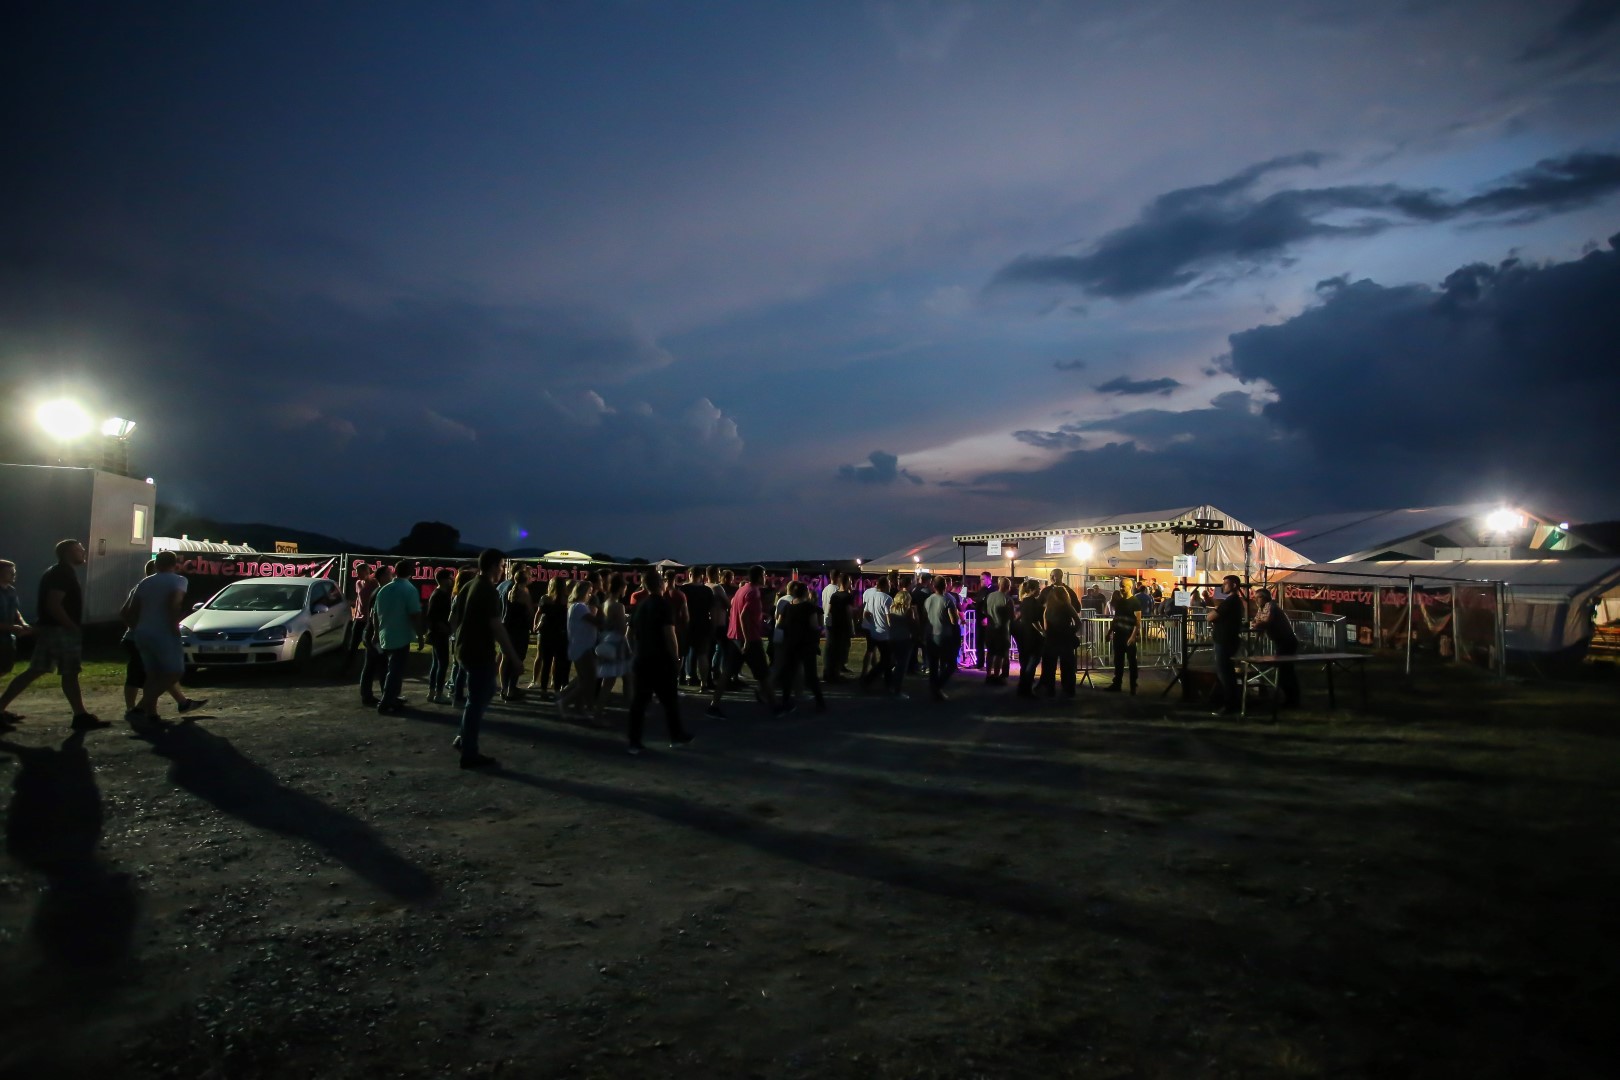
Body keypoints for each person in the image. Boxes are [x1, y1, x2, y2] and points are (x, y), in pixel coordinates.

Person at [0, 540, 104, 729]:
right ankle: (80, 716)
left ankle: (80, 714)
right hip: (59, 631)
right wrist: (71, 626)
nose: (83, 552)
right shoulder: (61, 573)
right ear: (67, 553)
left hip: (54, 629)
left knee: (44, 670)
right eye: (79, 549)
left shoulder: (58, 572)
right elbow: (53, 603)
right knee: (64, 671)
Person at [453, 548, 519, 768]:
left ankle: (464, 738)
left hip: (465, 649)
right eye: (501, 566)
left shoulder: (469, 585)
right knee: (477, 700)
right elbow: (497, 627)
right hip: (478, 652)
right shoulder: (487, 591)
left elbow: (456, 616)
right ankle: (469, 753)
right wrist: (513, 657)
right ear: (492, 566)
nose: (502, 570)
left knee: (484, 693)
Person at [118, 550, 197, 733]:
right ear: (175, 564)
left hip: (142, 633)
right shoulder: (179, 580)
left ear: (156, 564)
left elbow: (129, 611)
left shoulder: (145, 582)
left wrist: (138, 628)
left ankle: (151, 714)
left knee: (152, 674)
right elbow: (174, 603)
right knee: (174, 672)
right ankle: (140, 708)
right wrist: (173, 627)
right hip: (163, 632)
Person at [625, 568, 694, 754]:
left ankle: (634, 742)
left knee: (639, 702)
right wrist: (676, 657)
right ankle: (676, 736)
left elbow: (628, 634)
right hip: (661, 659)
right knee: (669, 700)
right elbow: (669, 634)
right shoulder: (663, 605)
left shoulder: (640, 605)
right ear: (660, 584)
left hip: (642, 658)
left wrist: (634, 651)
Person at [707, 565, 777, 718]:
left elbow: (735, 609)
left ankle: (713, 705)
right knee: (763, 673)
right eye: (764, 574)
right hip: (749, 638)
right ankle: (775, 706)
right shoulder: (753, 592)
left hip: (735, 637)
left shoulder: (742, 590)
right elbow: (744, 615)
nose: (765, 577)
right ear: (759, 576)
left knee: (727, 672)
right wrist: (746, 639)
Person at [372, 559, 423, 715]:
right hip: (401, 635)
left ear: (395, 571)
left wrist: (376, 632)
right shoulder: (410, 589)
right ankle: (386, 701)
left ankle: (392, 698)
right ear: (411, 572)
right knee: (395, 671)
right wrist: (420, 635)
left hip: (385, 635)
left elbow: (375, 614)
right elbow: (414, 614)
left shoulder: (384, 589)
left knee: (391, 669)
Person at [775, 580, 826, 713]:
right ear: (805, 593)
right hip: (806, 644)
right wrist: (819, 630)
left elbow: (779, 623)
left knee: (789, 673)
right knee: (811, 674)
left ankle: (785, 700)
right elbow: (814, 625)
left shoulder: (788, 606)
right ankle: (820, 702)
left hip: (791, 643)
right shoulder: (809, 607)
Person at [557, 580, 602, 718]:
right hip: (583, 648)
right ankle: (564, 702)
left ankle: (578, 706)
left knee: (583, 679)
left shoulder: (575, 606)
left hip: (579, 647)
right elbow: (595, 621)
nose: (590, 595)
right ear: (583, 592)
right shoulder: (580, 607)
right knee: (588, 680)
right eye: (589, 592)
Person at [1251, 586, 1301, 708]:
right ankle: (1288, 698)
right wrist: (1256, 625)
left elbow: (1265, 622)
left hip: (1286, 641)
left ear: (1265, 598)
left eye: (1258, 597)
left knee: (1285, 670)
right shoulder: (1262, 608)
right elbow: (1256, 622)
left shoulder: (1270, 606)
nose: (1256, 600)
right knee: (1284, 669)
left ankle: (1291, 699)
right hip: (1281, 641)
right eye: (1255, 598)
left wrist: (1257, 624)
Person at [595, 575, 632, 717]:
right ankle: (598, 713)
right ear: (621, 588)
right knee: (613, 680)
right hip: (617, 644)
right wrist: (626, 620)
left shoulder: (605, 603)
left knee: (613, 679)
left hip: (606, 641)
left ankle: (599, 711)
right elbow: (622, 629)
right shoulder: (618, 606)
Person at [358, 563, 394, 706]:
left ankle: (368, 695)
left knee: (371, 666)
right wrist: (377, 635)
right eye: (390, 574)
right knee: (381, 666)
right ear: (383, 577)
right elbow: (374, 615)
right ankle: (386, 696)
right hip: (374, 636)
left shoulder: (378, 591)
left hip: (371, 633)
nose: (392, 576)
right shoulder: (381, 592)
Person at [1211, 575, 1246, 715]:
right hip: (1226, 640)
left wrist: (1214, 613)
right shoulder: (1233, 602)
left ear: (1234, 585)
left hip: (1224, 640)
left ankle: (1230, 704)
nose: (1223, 586)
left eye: (1226, 583)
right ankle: (1229, 701)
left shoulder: (1231, 601)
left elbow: (1211, 616)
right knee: (1227, 673)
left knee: (1225, 673)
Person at [499, 564, 534, 701]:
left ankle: (504, 688)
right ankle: (511, 688)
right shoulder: (524, 592)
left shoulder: (507, 588)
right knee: (518, 658)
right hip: (519, 630)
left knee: (505, 658)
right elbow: (529, 611)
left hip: (507, 627)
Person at [1039, 582, 1080, 697]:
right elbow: (1078, 622)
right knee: (1067, 666)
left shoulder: (1048, 608)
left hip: (1051, 639)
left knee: (1049, 666)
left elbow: (1046, 627)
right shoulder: (1067, 606)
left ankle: (1050, 689)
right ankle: (1068, 689)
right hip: (1065, 639)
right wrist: (1071, 631)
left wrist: (1048, 634)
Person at [533, 576, 572, 698]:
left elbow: (539, 613)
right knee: (559, 662)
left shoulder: (545, 598)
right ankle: (556, 688)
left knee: (546, 662)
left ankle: (543, 689)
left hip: (546, 633)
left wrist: (535, 624)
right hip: (560, 633)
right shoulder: (566, 599)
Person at [922, 576, 960, 702]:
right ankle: (937, 687)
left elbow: (925, 617)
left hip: (930, 635)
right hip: (944, 636)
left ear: (933, 586)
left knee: (933, 665)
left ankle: (934, 689)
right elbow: (954, 620)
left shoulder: (928, 600)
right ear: (945, 586)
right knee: (951, 664)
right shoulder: (948, 600)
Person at [679, 567, 714, 691]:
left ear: (690, 575)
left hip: (687, 624)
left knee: (682, 654)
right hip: (703, 624)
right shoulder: (707, 590)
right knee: (702, 655)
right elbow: (711, 609)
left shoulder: (683, 589)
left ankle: (680, 678)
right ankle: (703, 683)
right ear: (702, 576)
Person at [424, 568, 455, 703]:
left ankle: (432, 692)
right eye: (450, 577)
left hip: (437, 633)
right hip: (439, 634)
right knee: (442, 663)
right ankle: (438, 693)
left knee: (436, 664)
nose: (452, 580)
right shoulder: (439, 595)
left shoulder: (439, 593)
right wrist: (445, 628)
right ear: (443, 580)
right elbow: (433, 616)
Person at [859, 575, 894, 691]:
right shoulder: (887, 599)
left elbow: (865, 613)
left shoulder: (871, 596)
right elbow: (889, 619)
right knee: (887, 660)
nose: (890, 586)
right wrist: (892, 628)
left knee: (886, 659)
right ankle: (870, 679)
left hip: (874, 632)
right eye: (889, 584)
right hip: (884, 634)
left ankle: (887, 683)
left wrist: (873, 624)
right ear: (885, 585)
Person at [1107, 583, 1142, 695]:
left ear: (1130, 587)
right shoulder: (1120, 602)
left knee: (1132, 661)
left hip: (1128, 635)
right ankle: (1117, 684)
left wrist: (1132, 637)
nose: (1121, 588)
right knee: (1118, 661)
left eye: (1124, 586)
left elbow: (1138, 621)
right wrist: (1109, 632)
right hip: (1118, 635)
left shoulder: (1135, 602)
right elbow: (1116, 618)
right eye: (1120, 586)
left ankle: (1133, 685)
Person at [0, 559, 29, 691]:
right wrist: (11, 627)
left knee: (5, 668)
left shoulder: (11, 590)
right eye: (9, 572)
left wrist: (23, 623)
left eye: (14, 571)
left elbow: (15, 610)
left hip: (7, 638)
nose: (13, 574)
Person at [1012, 580, 1043, 699]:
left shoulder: (1024, 601)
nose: (1039, 590)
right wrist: (1042, 631)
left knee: (1024, 662)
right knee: (1033, 661)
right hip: (1032, 635)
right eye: (1038, 588)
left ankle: (1022, 687)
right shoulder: (1033, 602)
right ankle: (1027, 687)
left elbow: (1020, 617)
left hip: (1023, 635)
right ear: (1031, 590)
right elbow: (1034, 620)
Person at [822, 572, 855, 683]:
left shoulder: (834, 595)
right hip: (843, 626)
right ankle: (835, 674)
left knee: (832, 650)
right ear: (847, 582)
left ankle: (829, 673)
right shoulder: (848, 596)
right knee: (840, 651)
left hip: (833, 626)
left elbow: (830, 610)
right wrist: (851, 628)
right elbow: (849, 613)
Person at [345, 562, 377, 673]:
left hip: (369, 619)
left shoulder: (375, 584)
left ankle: (371, 668)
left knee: (369, 644)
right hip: (359, 619)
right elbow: (358, 598)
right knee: (353, 644)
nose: (357, 575)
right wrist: (355, 613)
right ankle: (347, 668)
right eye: (356, 572)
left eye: (359, 573)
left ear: (366, 572)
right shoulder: (358, 583)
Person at [982, 577, 1012, 685]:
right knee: (999, 654)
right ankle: (996, 676)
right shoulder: (1007, 599)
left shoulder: (990, 596)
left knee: (990, 653)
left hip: (990, 629)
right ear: (1008, 587)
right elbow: (1011, 616)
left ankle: (988, 675)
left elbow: (984, 610)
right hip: (1002, 630)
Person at [886, 588, 915, 699]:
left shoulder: (891, 608)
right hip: (904, 638)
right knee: (902, 665)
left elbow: (889, 622)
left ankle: (890, 685)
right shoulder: (908, 610)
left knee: (893, 662)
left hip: (892, 638)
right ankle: (897, 689)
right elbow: (912, 624)